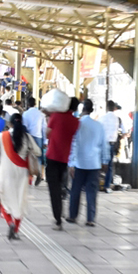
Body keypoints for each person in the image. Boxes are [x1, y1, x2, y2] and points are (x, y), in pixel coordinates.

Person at [0, 111, 42, 240]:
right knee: (19, 201)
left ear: (9, 123)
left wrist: (0, 151)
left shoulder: (2, 136)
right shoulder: (27, 137)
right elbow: (38, 152)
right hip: (22, 174)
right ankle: (15, 230)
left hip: (5, 173)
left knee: (5, 200)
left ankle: (10, 222)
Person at [67, 101, 109, 226]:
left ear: (82, 109)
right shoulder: (99, 126)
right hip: (94, 164)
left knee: (75, 191)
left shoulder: (78, 124)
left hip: (79, 164)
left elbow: (74, 144)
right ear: (92, 110)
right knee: (92, 192)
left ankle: (73, 216)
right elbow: (104, 145)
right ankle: (90, 218)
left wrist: (71, 163)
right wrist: (105, 160)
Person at [45, 97, 81, 228]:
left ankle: (58, 218)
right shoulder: (76, 122)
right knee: (61, 187)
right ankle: (61, 211)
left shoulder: (56, 116)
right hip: (64, 159)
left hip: (52, 157)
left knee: (53, 189)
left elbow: (47, 134)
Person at [98, 99, 124, 190]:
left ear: (107, 108)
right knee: (109, 165)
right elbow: (124, 132)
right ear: (114, 108)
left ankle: (97, 183)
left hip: (102, 143)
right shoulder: (118, 119)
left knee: (99, 164)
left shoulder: (102, 118)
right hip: (112, 144)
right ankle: (107, 185)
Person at [22, 95, 47, 167]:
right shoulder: (41, 114)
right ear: (35, 104)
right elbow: (44, 128)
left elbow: (24, 127)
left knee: (29, 156)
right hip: (38, 137)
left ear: (28, 104)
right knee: (38, 156)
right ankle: (38, 172)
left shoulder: (25, 114)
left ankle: (30, 171)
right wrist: (45, 141)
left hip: (28, 137)